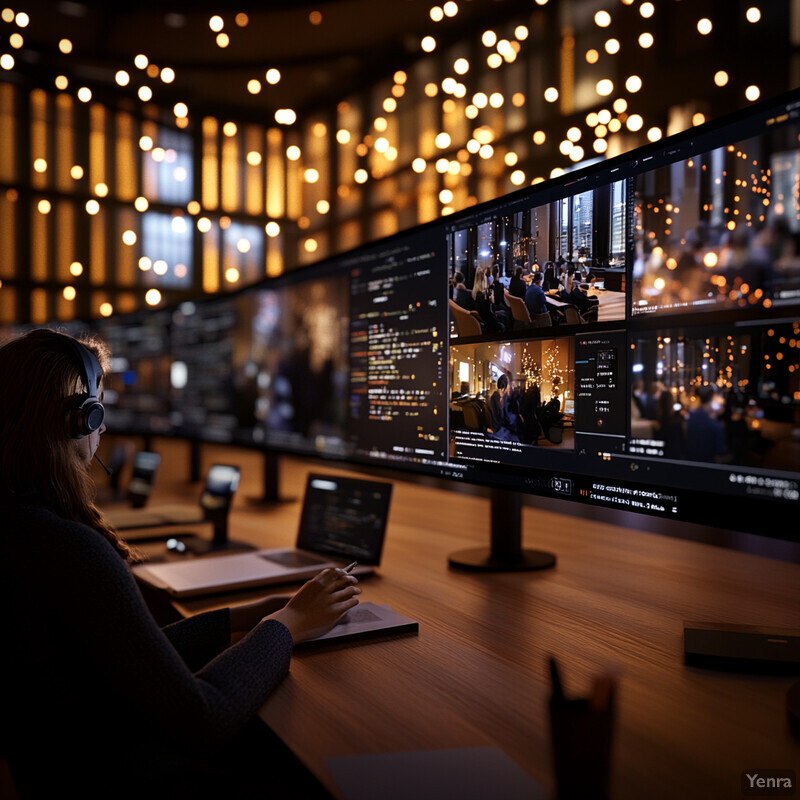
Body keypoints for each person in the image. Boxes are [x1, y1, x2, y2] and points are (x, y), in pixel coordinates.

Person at [0, 328, 362, 799]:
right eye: (99, 410)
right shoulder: (69, 551)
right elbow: (203, 718)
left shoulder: (22, 527)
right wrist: (288, 624)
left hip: (61, 768)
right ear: (78, 420)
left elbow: (132, 653)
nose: (103, 428)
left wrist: (249, 616)